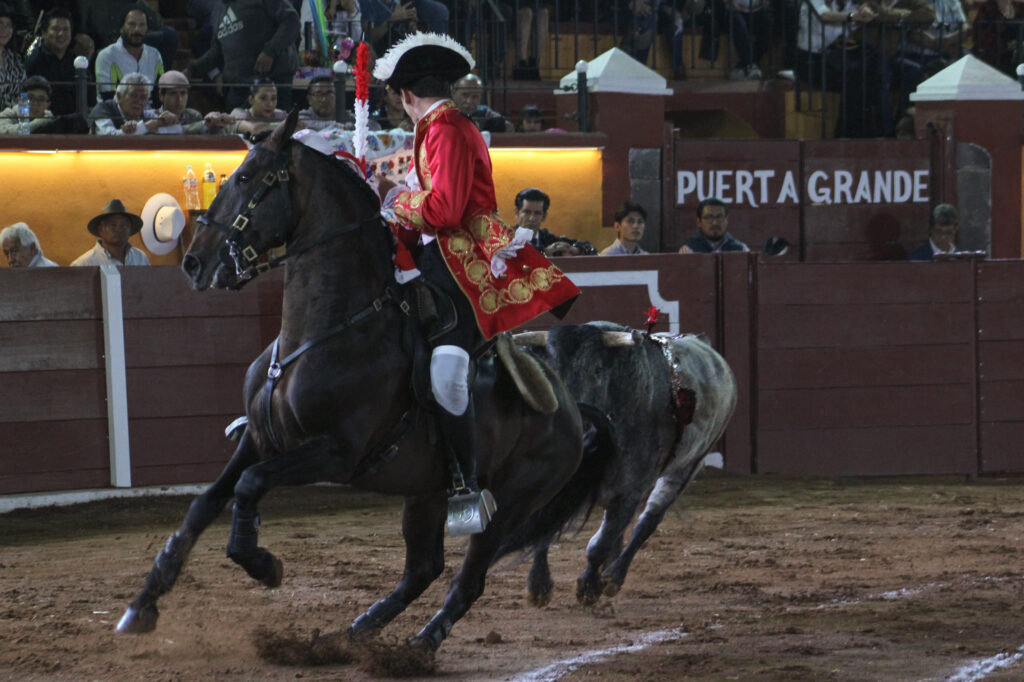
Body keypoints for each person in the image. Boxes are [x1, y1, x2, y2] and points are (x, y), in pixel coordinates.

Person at [372, 32, 580, 532]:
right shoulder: (439, 127)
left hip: (464, 267)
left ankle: (467, 486)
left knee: (447, 372)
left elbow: (443, 210)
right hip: (446, 258)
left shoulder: (444, 129)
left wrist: (391, 196)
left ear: (405, 96)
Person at [186, 0, 300, 111]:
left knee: (277, 128)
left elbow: (291, 20)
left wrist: (270, 51)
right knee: (236, 127)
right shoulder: (218, 9)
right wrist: (191, 71)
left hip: (273, 81)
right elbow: (217, 51)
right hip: (239, 86)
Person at [24, 7, 94, 116]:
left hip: (76, 126)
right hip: (43, 124)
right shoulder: (34, 61)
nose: (61, 34)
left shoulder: (77, 62)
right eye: (56, 29)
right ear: (44, 33)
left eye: (66, 29)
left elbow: (90, 99)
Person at [94, 7, 165, 101]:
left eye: (142, 25)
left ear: (147, 29)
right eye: (132, 24)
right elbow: (107, 97)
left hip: (148, 113)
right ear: (121, 28)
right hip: (113, 113)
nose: (137, 29)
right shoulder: (107, 55)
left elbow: (160, 92)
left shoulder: (154, 55)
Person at [514, 188, 597, 256]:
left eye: (537, 213)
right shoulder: (505, 238)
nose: (531, 218)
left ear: (544, 216)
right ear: (517, 213)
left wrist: (575, 250)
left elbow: (591, 249)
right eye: (527, 212)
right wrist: (544, 252)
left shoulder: (547, 238)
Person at [71, 198, 150, 266]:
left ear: (130, 229)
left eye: (124, 225)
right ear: (101, 230)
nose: (118, 229)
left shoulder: (140, 258)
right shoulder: (85, 263)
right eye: (113, 225)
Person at [154, 69, 236, 134]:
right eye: (173, 93)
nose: (179, 99)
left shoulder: (194, 116)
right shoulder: (152, 117)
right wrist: (203, 125)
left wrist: (218, 124)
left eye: (183, 93)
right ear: (161, 96)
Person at [0, 74, 87, 134]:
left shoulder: (51, 122)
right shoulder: (8, 114)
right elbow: (4, 132)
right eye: (30, 97)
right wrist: (40, 122)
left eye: (41, 99)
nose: (35, 103)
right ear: (20, 100)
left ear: (47, 104)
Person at [89, 71, 168, 134]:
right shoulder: (103, 109)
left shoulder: (145, 114)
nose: (139, 101)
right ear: (119, 96)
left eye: (143, 97)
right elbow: (109, 138)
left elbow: (173, 129)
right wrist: (146, 126)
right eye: (133, 96)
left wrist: (167, 120)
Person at [679, 198, 750, 253]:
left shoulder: (741, 249)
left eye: (719, 217)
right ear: (699, 222)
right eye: (709, 217)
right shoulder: (689, 250)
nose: (715, 223)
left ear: (727, 220)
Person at [0, 2, 25, 111]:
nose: (4, 29)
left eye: (9, 25)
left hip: (14, 120)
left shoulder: (15, 59)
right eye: (0, 24)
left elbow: (24, 93)